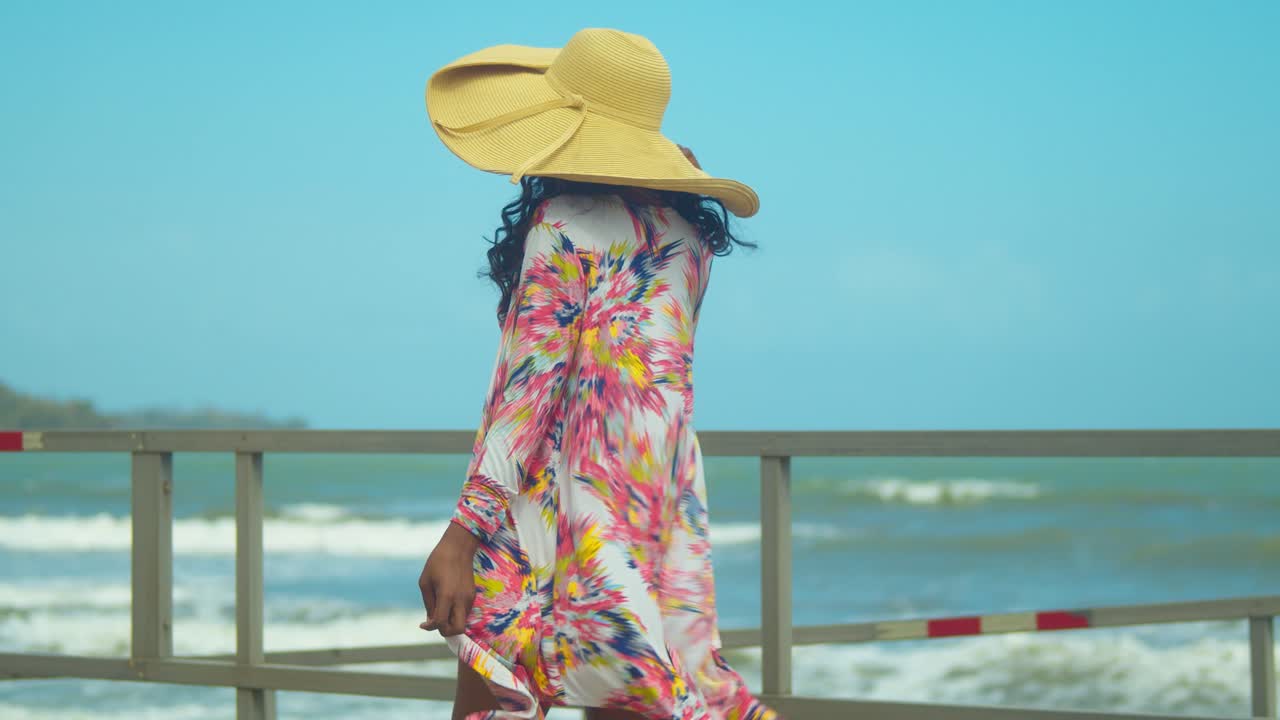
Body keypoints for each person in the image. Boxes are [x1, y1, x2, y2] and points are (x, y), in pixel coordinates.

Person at [416, 27, 777, 720]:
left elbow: (530, 396)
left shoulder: (562, 224)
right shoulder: (687, 238)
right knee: (632, 694)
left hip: (540, 512)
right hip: (641, 514)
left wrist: (462, 534)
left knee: (489, 700)